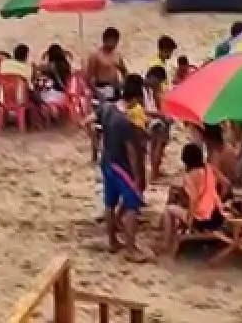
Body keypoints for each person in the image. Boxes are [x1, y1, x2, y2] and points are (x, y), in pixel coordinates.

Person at [92, 82, 150, 262]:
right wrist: (137, 175)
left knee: (110, 203)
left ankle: (112, 242)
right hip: (121, 166)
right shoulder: (125, 122)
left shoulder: (107, 108)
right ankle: (130, 249)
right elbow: (131, 151)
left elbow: (89, 121)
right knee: (132, 204)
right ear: (135, 98)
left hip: (107, 161)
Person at [156, 142, 225, 256]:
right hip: (218, 216)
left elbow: (194, 199)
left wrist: (190, 220)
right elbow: (226, 184)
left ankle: (166, 243)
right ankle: (169, 239)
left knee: (169, 209)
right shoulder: (210, 168)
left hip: (203, 219)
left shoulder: (190, 176)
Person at [85, 27, 127, 102]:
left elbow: (124, 71)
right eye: (112, 40)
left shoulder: (117, 54)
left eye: (116, 40)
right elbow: (89, 77)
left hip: (115, 87)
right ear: (104, 39)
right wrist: (96, 92)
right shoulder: (95, 55)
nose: (114, 43)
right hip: (101, 87)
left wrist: (123, 84)